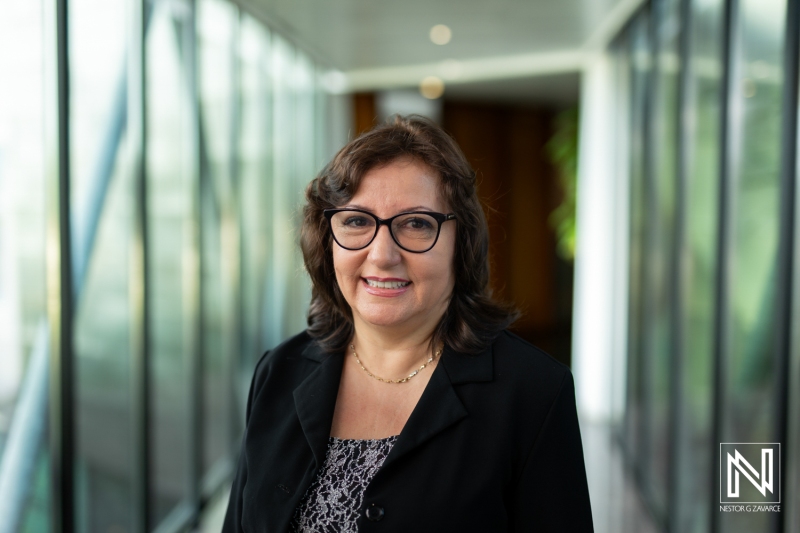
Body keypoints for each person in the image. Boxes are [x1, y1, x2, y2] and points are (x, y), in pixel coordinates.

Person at [222, 115, 593, 532]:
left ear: (462, 243)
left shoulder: (535, 393)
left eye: (417, 224)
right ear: (326, 240)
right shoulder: (278, 371)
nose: (382, 255)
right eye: (357, 221)